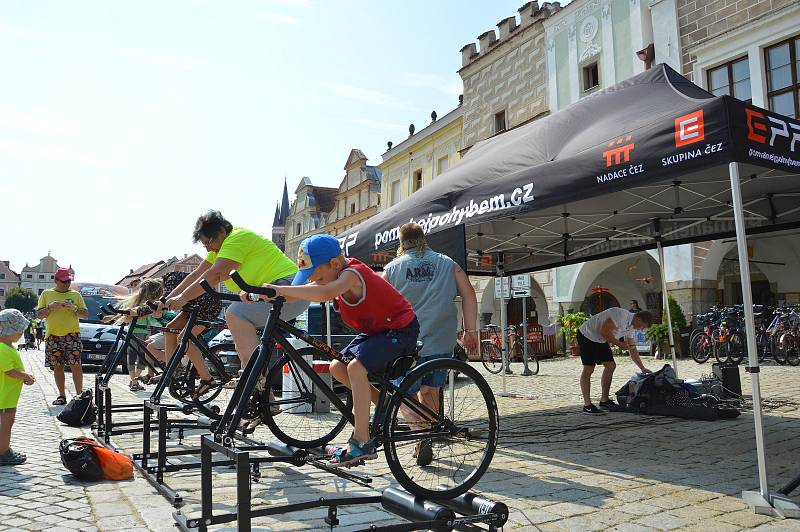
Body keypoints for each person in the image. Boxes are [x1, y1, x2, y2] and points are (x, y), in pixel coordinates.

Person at [261, 234, 419, 467]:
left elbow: (326, 292)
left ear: (335, 264)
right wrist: (260, 294)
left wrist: (278, 290)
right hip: (379, 332)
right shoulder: (332, 275)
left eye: (319, 276)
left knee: (355, 368)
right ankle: (383, 404)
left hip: (400, 329)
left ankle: (362, 439)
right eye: (313, 277)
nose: (317, 281)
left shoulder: (352, 274)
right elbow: (312, 287)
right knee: (337, 367)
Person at [161, 210, 307, 400]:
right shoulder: (219, 249)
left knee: (235, 314)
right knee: (241, 333)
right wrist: (166, 300)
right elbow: (196, 275)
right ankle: (260, 392)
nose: (209, 249)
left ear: (222, 231)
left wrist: (183, 298)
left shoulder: (237, 238)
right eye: (205, 246)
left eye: (210, 242)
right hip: (267, 294)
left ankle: (259, 390)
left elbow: (216, 275)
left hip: (288, 289)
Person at [383, 223, 478, 466]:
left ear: (402, 243)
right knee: (430, 390)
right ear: (423, 239)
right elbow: (468, 293)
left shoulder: (393, 268)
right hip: (440, 340)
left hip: (405, 342)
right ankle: (427, 435)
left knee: (403, 393)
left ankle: (420, 435)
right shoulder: (448, 263)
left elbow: (379, 302)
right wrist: (471, 330)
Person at [577, 307, 653, 415]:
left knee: (610, 366)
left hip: (601, 338)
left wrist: (642, 368)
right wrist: (619, 344)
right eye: (642, 327)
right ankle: (587, 405)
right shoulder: (621, 315)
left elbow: (633, 348)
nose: (640, 329)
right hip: (587, 335)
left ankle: (604, 400)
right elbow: (604, 331)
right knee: (589, 368)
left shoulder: (631, 327)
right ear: (639, 319)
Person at [36, 268, 88, 405]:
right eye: (64, 281)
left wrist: (75, 309)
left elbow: (85, 314)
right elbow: (39, 314)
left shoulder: (76, 295)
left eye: (69, 281)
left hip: (72, 334)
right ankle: (61, 395)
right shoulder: (47, 294)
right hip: (53, 335)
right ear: (56, 280)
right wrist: (50, 308)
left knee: (76, 365)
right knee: (58, 367)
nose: (67, 283)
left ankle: (79, 396)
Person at [105, 278, 165, 391]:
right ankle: (139, 378)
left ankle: (141, 378)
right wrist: (112, 317)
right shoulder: (148, 305)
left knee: (144, 354)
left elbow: (137, 314)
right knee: (140, 352)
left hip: (152, 332)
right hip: (142, 331)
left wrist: (113, 317)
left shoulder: (153, 305)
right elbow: (132, 313)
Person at [0, 309, 36, 465]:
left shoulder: (7, 347)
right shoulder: (3, 349)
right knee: (7, 423)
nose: (22, 333)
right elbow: (9, 371)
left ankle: (3, 448)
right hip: (5, 396)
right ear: (10, 331)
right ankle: (3, 452)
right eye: (20, 330)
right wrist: (25, 376)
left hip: (7, 395)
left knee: (6, 423)